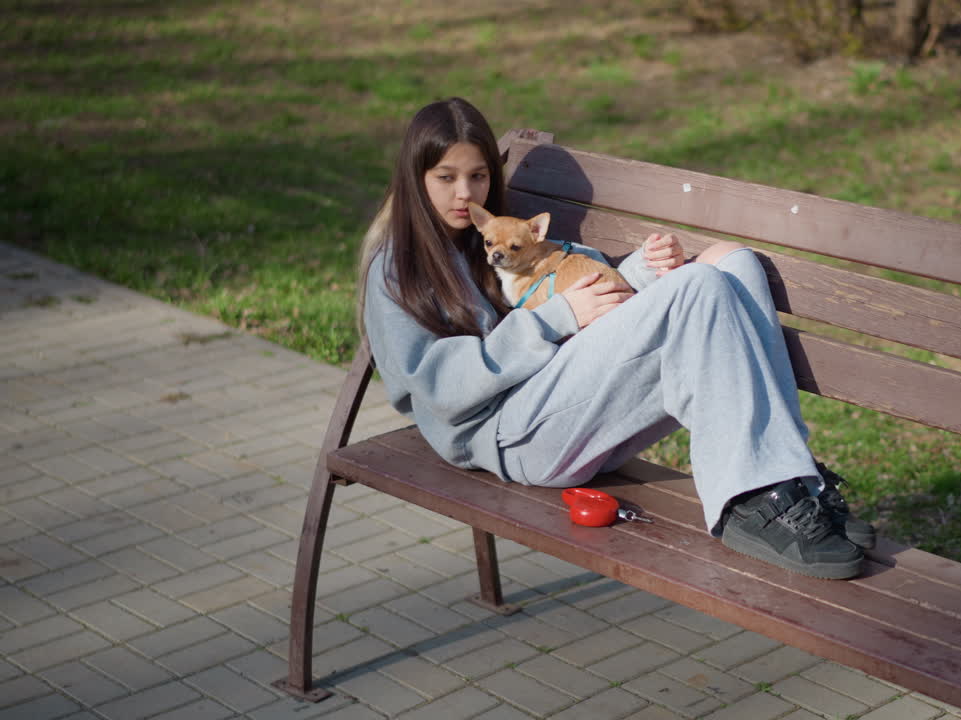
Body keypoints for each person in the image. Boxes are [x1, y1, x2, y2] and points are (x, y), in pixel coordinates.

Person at [357, 97, 874, 580]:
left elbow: (574, 279)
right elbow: (437, 389)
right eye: (446, 177)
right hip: (508, 437)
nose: (465, 193)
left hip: (561, 401)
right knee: (696, 286)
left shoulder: (494, 232)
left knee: (731, 262)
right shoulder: (396, 267)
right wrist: (554, 319)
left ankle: (794, 480)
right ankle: (752, 500)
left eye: (478, 175)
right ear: (414, 177)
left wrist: (644, 268)